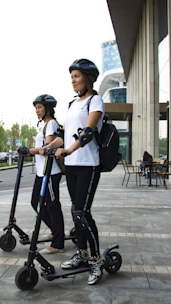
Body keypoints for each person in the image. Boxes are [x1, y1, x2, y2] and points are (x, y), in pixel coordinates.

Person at [47, 58, 105, 285]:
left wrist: (69, 149)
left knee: (82, 212)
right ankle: (81, 255)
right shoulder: (72, 105)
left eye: (77, 76)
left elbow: (88, 131)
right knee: (75, 212)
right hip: (71, 166)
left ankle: (96, 260)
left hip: (88, 164)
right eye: (71, 77)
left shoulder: (95, 100)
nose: (73, 80)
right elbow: (65, 133)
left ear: (89, 78)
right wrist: (49, 146)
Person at [26, 94, 65, 254]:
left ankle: (58, 243)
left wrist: (29, 151)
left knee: (52, 206)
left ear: (48, 108)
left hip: (50, 172)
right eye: (35, 108)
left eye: (40, 107)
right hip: (42, 173)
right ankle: (56, 231)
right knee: (35, 202)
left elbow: (46, 148)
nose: (37, 110)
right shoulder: (44, 125)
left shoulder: (51, 124)